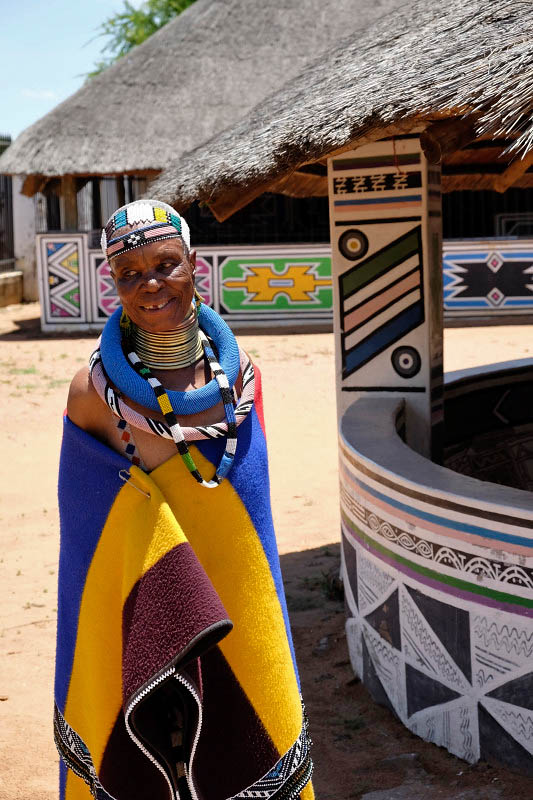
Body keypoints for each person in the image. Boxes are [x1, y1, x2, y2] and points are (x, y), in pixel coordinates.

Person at [55, 200, 314, 800]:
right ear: (112, 284)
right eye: (129, 274)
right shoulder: (92, 396)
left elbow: (251, 515)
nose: (150, 285)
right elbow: (88, 537)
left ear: (194, 264)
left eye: (165, 264)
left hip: (239, 606)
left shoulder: (241, 377)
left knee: (247, 740)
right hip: (150, 610)